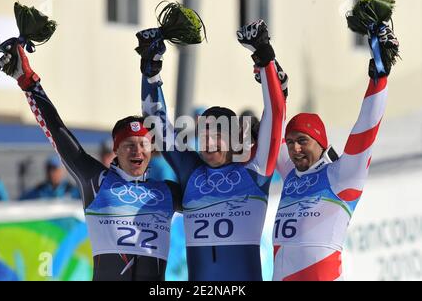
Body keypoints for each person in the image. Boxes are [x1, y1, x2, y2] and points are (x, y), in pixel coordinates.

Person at [0, 39, 182, 281]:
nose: (137, 151)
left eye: (143, 144)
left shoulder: (166, 192)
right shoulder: (97, 181)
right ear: (115, 149)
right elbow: (58, 133)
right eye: (128, 145)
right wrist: (29, 82)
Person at [138, 20, 287, 280]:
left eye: (216, 136)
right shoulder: (192, 171)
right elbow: (157, 125)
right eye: (203, 135)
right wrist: (151, 72)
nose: (207, 143)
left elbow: (275, 114)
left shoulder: (255, 171)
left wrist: (264, 54)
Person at [272, 23, 400, 281]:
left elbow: (366, 130)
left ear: (320, 142)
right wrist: (273, 83)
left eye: (302, 141)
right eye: (290, 142)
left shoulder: (341, 175)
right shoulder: (292, 175)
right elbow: (272, 132)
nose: (295, 149)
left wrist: (378, 79)